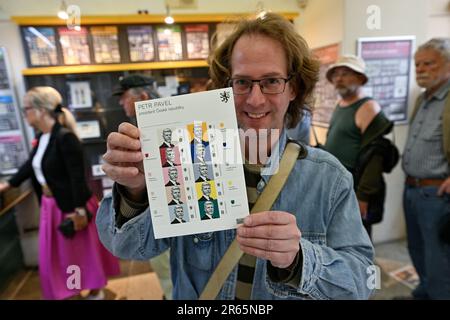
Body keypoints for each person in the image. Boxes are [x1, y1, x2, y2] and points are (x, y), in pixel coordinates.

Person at [97, 13, 374, 300]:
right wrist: (135, 190)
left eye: (271, 81)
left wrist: (299, 259)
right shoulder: (186, 160)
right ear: (226, 88)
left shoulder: (328, 179)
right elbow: (128, 247)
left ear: (293, 88)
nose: (255, 99)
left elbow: (363, 282)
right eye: (242, 82)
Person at [0, 86, 120, 300]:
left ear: (40, 111)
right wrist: (8, 184)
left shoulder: (65, 138)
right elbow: (30, 166)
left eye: (26, 108)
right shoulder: (43, 137)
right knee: (63, 257)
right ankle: (75, 291)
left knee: (76, 255)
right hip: (50, 206)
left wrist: (80, 210)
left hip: (71, 206)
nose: (24, 113)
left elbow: (77, 177)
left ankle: (91, 290)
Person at [112, 74, 173, 300]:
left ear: (143, 96)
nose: (120, 102)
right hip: (153, 211)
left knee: (167, 265)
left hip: (165, 211)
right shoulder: (140, 127)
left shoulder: (154, 127)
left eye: (124, 96)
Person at [324, 54, 396, 238]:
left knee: (357, 241)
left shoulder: (368, 108)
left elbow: (376, 157)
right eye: (336, 74)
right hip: (338, 186)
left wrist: (363, 197)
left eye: (346, 73)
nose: (339, 78)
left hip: (355, 189)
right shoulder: (341, 104)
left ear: (360, 78)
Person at [401, 38, 450, 300]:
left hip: (437, 195)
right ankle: (424, 293)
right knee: (417, 249)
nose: (420, 69)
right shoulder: (423, 99)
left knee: (439, 259)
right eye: (417, 64)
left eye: (428, 63)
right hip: (412, 189)